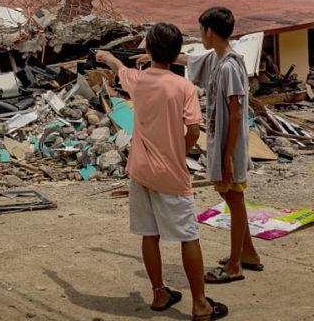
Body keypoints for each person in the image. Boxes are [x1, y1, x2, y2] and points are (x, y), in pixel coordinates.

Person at [95, 22, 228, 321]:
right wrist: (178, 152)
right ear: (177, 51)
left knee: (149, 233)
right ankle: (199, 305)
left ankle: (159, 293)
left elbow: (118, 68)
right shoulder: (183, 87)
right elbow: (193, 131)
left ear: (148, 50)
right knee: (188, 236)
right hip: (171, 173)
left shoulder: (137, 80)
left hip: (140, 171)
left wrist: (105, 57)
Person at [180, 7, 261, 285]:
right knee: (230, 197)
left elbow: (236, 112)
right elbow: (190, 60)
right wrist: (158, 55)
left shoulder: (229, 66)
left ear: (209, 32)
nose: (200, 35)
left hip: (231, 146)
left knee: (235, 199)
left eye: (200, 30)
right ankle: (248, 253)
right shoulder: (216, 59)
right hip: (222, 143)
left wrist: (228, 157)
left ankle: (236, 264)